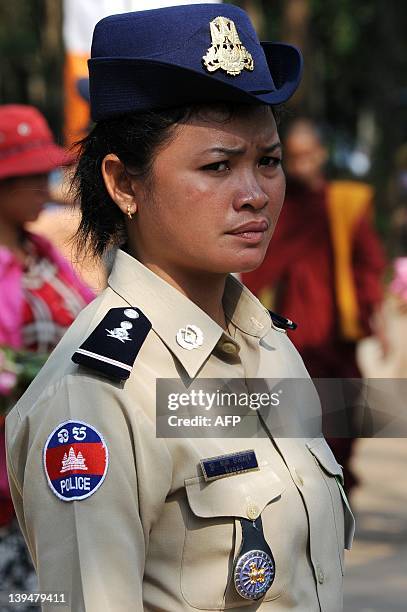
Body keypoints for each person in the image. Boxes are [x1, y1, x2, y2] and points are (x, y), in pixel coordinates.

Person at [6, 6, 354, 611]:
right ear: (124, 185)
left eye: (267, 161)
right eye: (217, 165)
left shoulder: (266, 339)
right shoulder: (95, 396)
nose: (254, 195)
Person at [242, 118, 386, 492]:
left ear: (321, 155)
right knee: (302, 416)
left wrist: (379, 320)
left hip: (337, 333)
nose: (302, 164)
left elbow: (368, 264)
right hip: (294, 333)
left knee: (345, 416)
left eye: (309, 156)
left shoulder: (345, 202)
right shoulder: (278, 206)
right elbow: (258, 268)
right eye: (296, 157)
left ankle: (336, 484)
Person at [0, 105, 95, 601]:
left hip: (57, 461)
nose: (45, 184)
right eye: (30, 176)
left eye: (46, 172)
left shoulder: (41, 250)